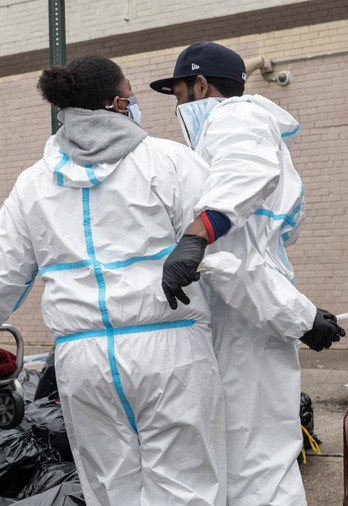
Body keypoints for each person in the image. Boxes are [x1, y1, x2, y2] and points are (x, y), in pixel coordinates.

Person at [0, 55, 227, 505]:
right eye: (130, 94)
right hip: (169, 351)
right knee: (185, 487)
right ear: (115, 104)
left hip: (82, 360)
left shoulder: (33, 184)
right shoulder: (168, 161)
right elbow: (224, 246)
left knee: (110, 490)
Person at [150, 41, 344, 505]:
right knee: (248, 457)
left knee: (258, 461)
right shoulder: (235, 131)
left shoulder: (233, 119)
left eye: (177, 93)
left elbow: (236, 258)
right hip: (252, 314)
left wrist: (198, 233)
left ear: (200, 84)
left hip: (248, 325)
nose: (176, 106)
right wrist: (302, 315)